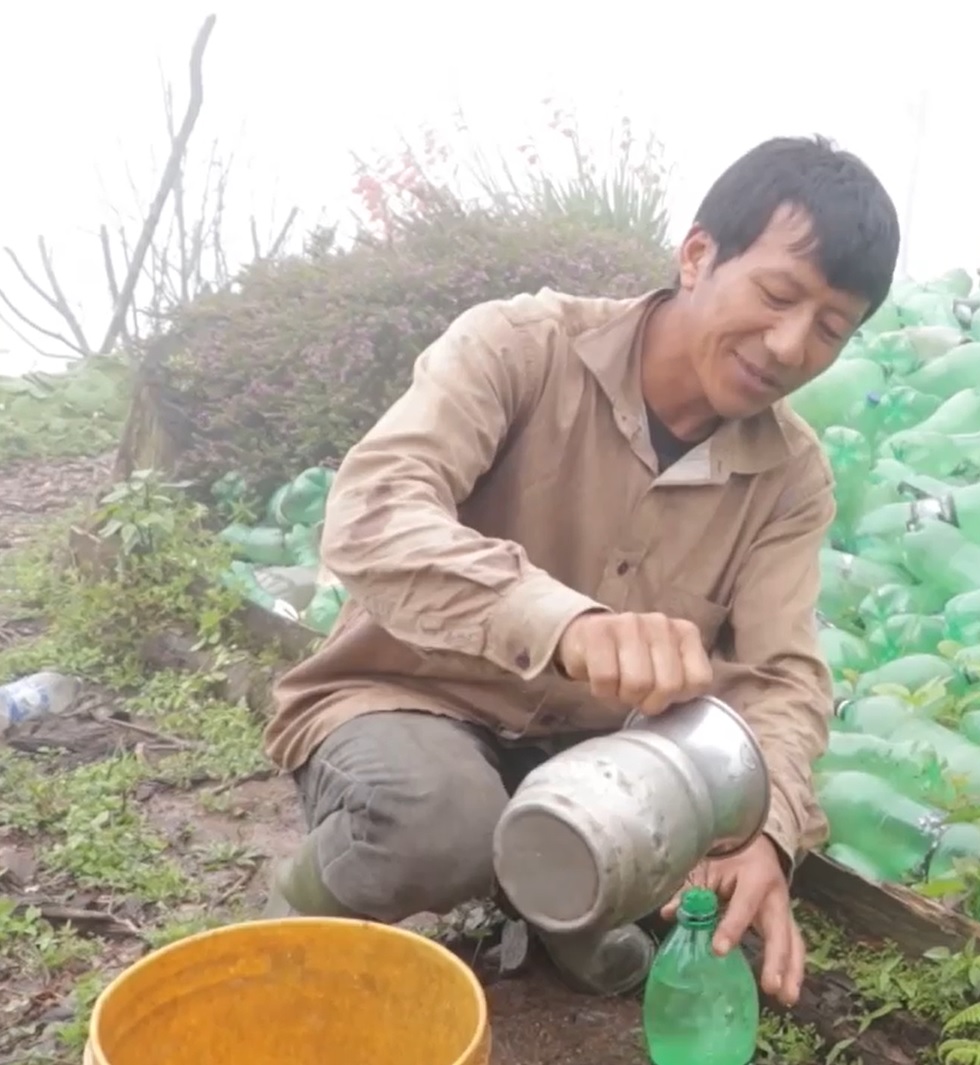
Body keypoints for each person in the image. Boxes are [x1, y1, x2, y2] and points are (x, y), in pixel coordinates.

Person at [260, 135, 901, 1008]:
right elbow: (374, 511)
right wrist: (565, 623)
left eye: (829, 329)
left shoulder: (790, 475)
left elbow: (783, 677)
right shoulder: (519, 345)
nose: (789, 346)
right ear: (698, 253)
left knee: (702, 900)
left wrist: (765, 830)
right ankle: (286, 918)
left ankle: (552, 893)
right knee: (437, 821)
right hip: (410, 694)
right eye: (776, 295)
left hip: (593, 748)